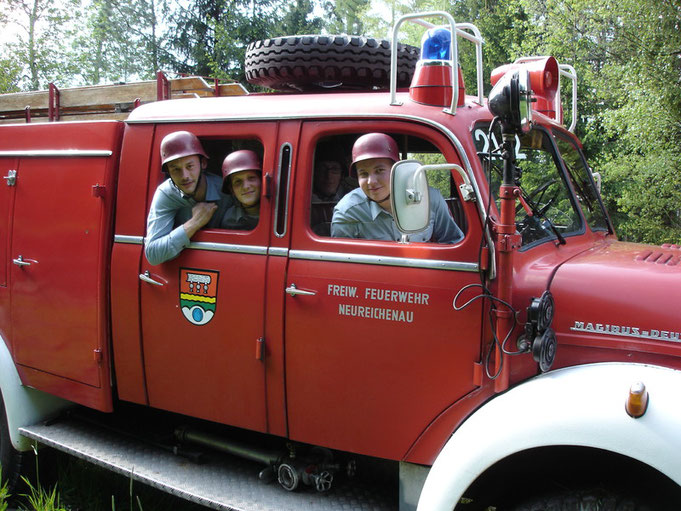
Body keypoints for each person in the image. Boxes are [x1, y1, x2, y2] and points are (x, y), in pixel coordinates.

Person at [331, 133, 464, 243]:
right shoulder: (347, 212)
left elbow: (453, 242)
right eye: (363, 174)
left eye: (379, 170)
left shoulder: (430, 199)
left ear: (397, 170)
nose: (371, 181)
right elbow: (343, 267)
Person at [145, 131, 233, 265]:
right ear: (168, 172)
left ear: (203, 164)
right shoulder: (166, 193)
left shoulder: (226, 191)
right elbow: (153, 254)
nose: (184, 175)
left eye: (190, 166)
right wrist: (195, 222)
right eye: (176, 169)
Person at [220, 149, 262, 230]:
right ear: (232, 190)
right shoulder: (230, 220)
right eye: (238, 182)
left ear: (262, 181)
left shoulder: (278, 212)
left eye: (251, 178)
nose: (246, 186)